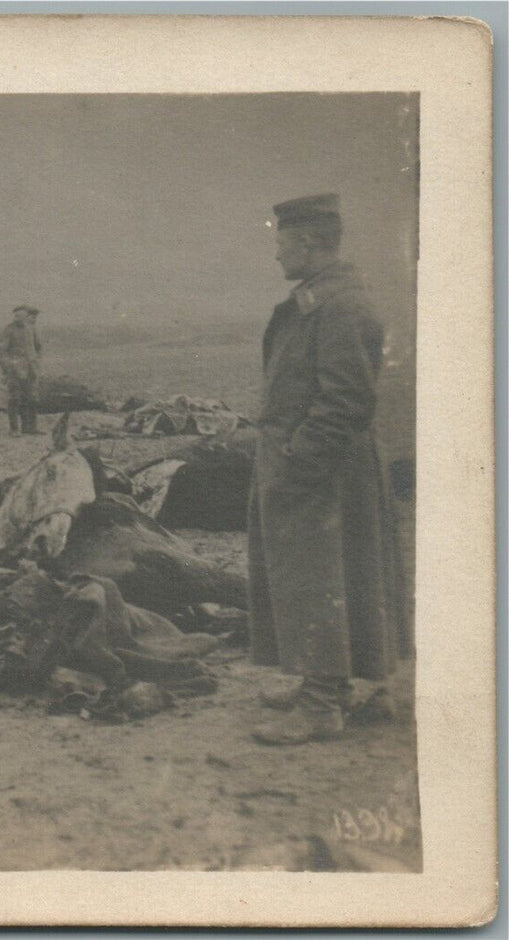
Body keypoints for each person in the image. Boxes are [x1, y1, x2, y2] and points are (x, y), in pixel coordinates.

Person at [247, 193, 408, 746]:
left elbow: (344, 400)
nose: (276, 256)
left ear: (310, 243)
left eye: (282, 244)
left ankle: (321, 706)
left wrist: (297, 462)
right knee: (314, 577)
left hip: (323, 473)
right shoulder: (322, 300)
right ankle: (327, 686)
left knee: (319, 577)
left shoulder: (340, 307)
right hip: (316, 467)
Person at [0, 305, 43, 435]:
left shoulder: (31, 329)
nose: (17, 318)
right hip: (15, 370)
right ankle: (14, 429)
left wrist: (36, 362)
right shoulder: (9, 330)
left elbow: (38, 347)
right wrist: (9, 367)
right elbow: (0, 352)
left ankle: (30, 428)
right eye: (16, 316)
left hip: (31, 370)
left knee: (32, 399)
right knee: (15, 398)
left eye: (21, 316)